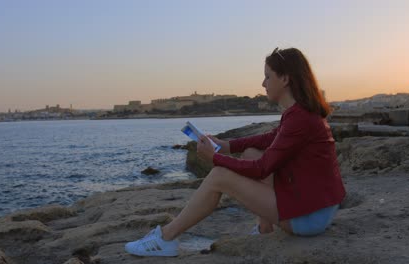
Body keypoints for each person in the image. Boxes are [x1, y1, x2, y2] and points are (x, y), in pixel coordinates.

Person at [124, 47, 346, 257]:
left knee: (220, 176)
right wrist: (227, 145)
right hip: (316, 208)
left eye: (268, 77)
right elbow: (268, 139)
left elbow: (261, 169)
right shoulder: (301, 113)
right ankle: (264, 228)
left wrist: (215, 158)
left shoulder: (300, 118)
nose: (263, 83)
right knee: (250, 152)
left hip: (308, 218)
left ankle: (165, 238)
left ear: (285, 79)